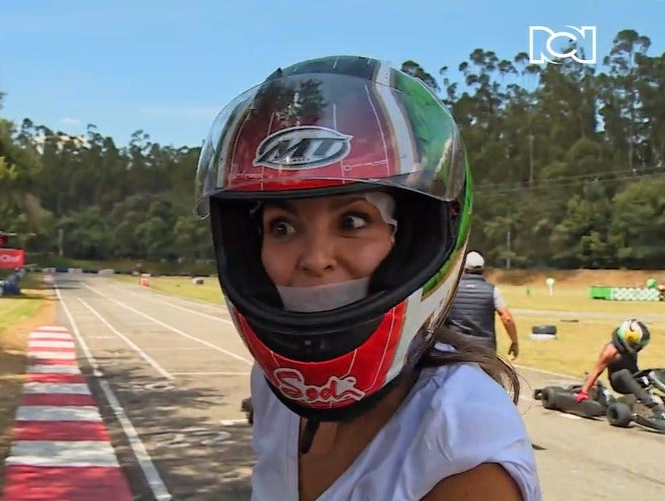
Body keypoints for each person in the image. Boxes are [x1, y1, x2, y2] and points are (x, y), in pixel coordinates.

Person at [195, 55, 541, 500]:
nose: (315, 259)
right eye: (282, 227)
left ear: (414, 240)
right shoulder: (271, 387)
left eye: (353, 221)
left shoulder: (462, 444)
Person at [575, 319, 665, 420]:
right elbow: (596, 371)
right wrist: (584, 392)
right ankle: (655, 409)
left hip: (633, 377)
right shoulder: (610, 351)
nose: (638, 347)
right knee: (624, 373)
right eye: (635, 344)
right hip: (619, 382)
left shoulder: (630, 348)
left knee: (655, 373)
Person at [444, 251, 519, 359]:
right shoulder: (492, 290)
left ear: (463, 268)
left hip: (456, 345)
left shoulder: (451, 289)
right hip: (485, 348)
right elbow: (507, 319)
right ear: (483, 270)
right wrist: (514, 342)